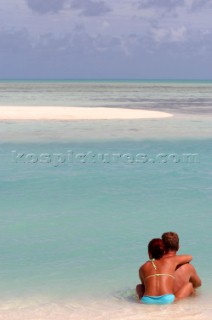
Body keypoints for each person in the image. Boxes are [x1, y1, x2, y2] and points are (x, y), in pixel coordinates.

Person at [136, 238, 194, 304]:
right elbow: (189, 257)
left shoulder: (143, 267)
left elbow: (144, 286)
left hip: (147, 300)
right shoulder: (170, 261)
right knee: (189, 285)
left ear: (149, 252)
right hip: (166, 299)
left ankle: (141, 301)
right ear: (164, 251)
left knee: (139, 286)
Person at [162, 232, 202, 297]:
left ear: (162, 247)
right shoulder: (187, 267)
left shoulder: (155, 264)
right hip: (179, 302)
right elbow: (198, 284)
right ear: (178, 247)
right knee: (192, 288)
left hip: (160, 302)